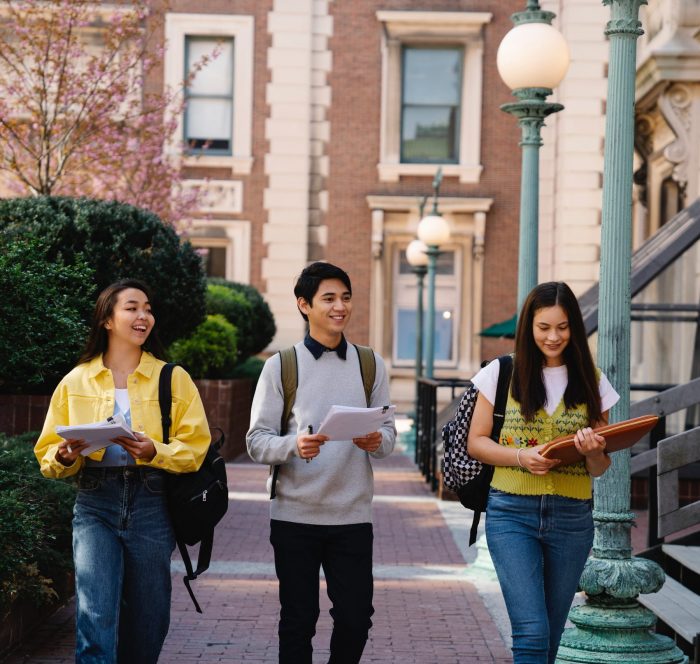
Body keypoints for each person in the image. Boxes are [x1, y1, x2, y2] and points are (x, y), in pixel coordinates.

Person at [34, 278, 211, 664]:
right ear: (107, 320)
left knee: (149, 618)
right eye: (132, 307)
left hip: (152, 503)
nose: (143, 315)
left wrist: (154, 450)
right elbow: (48, 452)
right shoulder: (76, 380)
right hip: (95, 501)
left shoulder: (172, 378)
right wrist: (65, 457)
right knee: (95, 614)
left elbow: (196, 448)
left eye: (147, 308)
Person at [247, 261, 396, 664]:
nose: (339, 307)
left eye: (345, 298)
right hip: (295, 516)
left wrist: (374, 440)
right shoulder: (281, 366)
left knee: (355, 618)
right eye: (328, 298)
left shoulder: (370, 364)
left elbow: (389, 439)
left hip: (351, 516)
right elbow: (256, 442)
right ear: (304, 305)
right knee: (298, 619)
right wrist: (294, 445)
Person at [467, 281, 620, 664]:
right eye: (544, 327)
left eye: (563, 327)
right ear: (528, 327)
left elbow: (600, 468)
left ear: (575, 328)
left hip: (572, 518)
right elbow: (477, 442)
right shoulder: (500, 373)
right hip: (511, 513)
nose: (553, 337)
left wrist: (594, 452)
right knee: (532, 632)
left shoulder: (594, 382)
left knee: (550, 636)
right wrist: (522, 458)